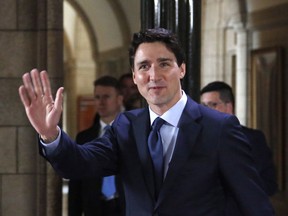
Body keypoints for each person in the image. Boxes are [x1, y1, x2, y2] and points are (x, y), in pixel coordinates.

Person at [18, 28, 275, 216]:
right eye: (144, 66)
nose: (154, 75)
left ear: (181, 69)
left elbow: (255, 204)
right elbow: (80, 165)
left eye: (164, 64)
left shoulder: (219, 128)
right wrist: (50, 135)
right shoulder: (126, 126)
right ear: (134, 75)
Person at [200, 81, 278, 197]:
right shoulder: (195, 139)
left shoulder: (254, 139)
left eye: (213, 105)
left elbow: (269, 184)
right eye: (203, 106)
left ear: (229, 107)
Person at [68, 76, 125, 216]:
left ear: (119, 99)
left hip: (126, 207)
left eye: (106, 97)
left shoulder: (134, 133)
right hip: (94, 208)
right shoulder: (84, 138)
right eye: (97, 97)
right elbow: (76, 182)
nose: (101, 102)